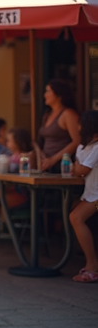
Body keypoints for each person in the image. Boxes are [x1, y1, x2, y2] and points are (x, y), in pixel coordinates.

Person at [69, 110, 98, 283]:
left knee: (76, 217)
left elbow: (81, 170)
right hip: (90, 194)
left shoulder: (96, 148)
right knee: (74, 211)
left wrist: (76, 166)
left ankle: (92, 266)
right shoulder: (85, 147)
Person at [37, 79, 81, 173]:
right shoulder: (47, 115)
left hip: (62, 164)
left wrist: (53, 159)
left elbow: (77, 141)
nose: (45, 95)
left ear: (59, 95)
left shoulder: (68, 114)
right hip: (46, 165)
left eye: (48, 91)